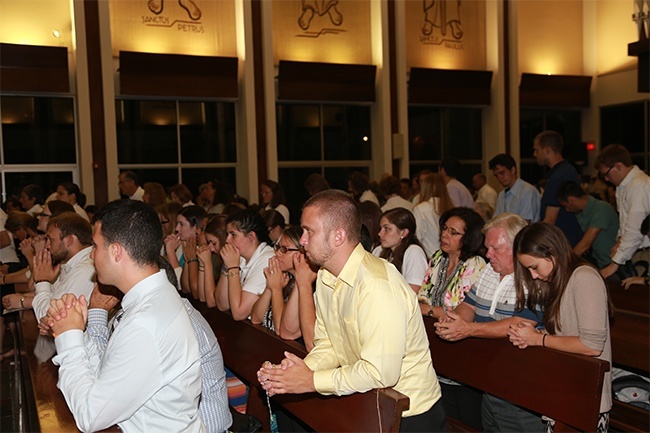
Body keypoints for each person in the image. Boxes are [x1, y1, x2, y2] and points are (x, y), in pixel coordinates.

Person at [257, 190, 447, 432]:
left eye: (309, 231)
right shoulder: (326, 275)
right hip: (369, 402)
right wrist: (298, 372)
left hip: (410, 415)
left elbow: (380, 373)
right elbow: (328, 344)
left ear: (338, 236)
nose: (302, 240)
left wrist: (311, 380)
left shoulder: (377, 285)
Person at [42, 199, 204, 432]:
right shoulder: (154, 296)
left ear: (116, 251)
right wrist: (76, 328)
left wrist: (69, 338)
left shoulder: (146, 322)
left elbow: (90, 416)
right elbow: (111, 373)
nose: (91, 257)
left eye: (96, 247)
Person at [434, 212, 543, 432]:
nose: (488, 254)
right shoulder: (489, 272)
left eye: (496, 248)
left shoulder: (533, 277)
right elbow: (469, 305)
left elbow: (521, 323)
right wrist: (456, 319)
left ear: (517, 247)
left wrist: (468, 329)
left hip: (522, 386)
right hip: (489, 381)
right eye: (487, 247)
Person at [510, 222, 612, 432]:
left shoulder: (584, 277)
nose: (534, 276)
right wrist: (534, 334)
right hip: (565, 387)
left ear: (552, 253)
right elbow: (566, 331)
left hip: (586, 394)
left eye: (534, 267)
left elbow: (592, 346)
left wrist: (539, 339)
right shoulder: (561, 280)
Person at [251, 226, 316, 345]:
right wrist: (270, 287)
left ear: (302, 253)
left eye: (284, 249)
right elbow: (255, 318)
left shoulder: (310, 287)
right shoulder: (285, 278)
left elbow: (280, 329)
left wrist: (276, 289)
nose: (277, 253)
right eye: (277, 247)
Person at [418, 207, 485, 319]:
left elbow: (464, 310)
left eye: (453, 232)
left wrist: (429, 310)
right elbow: (423, 294)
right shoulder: (438, 256)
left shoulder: (475, 263)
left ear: (469, 237)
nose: (444, 234)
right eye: (444, 228)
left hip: (457, 329)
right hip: (428, 323)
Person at [594, 144, 650, 279]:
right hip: (635, 251)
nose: (606, 179)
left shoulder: (639, 186)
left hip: (644, 252)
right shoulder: (623, 187)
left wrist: (614, 264)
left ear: (618, 166)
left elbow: (635, 230)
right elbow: (625, 223)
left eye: (606, 174)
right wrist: (619, 240)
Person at [32, 212, 96, 323]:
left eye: (50, 240)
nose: (47, 246)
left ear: (70, 240)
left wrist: (42, 281)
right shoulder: (70, 264)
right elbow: (51, 299)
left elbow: (50, 318)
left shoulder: (85, 270)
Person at [215, 209, 275, 320]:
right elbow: (222, 304)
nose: (227, 240)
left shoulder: (267, 259)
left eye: (233, 235)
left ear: (251, 237)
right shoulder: (240, 256)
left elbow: (239, 313)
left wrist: (233, 267)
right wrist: (227, 265)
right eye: (227, 234)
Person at [533, 130, 583, 246]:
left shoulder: (559, 175)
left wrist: (535, 241)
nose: (534, 154)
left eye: (536, 150)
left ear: (546, 150)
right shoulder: (562, 171)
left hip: (564, 239)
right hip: (563, 238)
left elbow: (550, 219)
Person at [556, 181, 619, 269]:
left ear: (571, 200)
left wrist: (564, 265)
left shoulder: (601, 209)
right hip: (600, 262)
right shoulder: (581, 213)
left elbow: (585, 243)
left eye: (566, 206)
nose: (567, 210)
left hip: (613, 265)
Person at [373, 208, 428, 293]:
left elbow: (413, 292)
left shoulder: (414, 252)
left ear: (404, 232)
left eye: (387, 229)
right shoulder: (379, 250)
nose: (380, 233)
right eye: (380, 228)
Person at [489, 153, 540, 222]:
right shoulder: (501, 195)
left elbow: (525, 223)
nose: (499, 178)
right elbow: (496, 221)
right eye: (496, 176)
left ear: (513, 170)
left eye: (502, 173)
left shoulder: (527, 191)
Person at [413, 173, 454, 257]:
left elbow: (417, 237)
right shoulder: (451, 208)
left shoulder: (420, 209)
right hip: (448, 257)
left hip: (430, 258)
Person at [197, 216, 228, 307]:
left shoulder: (229, 261)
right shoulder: (218, 259)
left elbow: (212, 302)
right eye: (208, 243)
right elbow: (202, 297)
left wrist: (207, 264)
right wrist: (202, 264)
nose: (210, 248)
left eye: (213, 243)